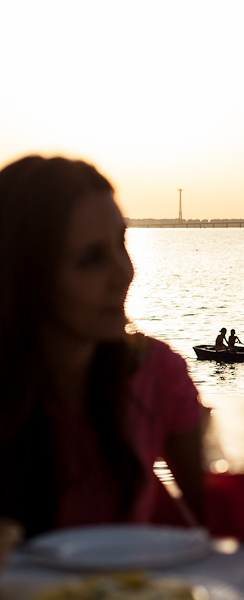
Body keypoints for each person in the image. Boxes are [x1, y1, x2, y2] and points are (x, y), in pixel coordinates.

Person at [0, 156, 205, 537]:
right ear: (25, 275)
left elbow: (221, 520)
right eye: (90, 259)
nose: (124, 273)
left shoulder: (156, 374)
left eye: (121, 243)